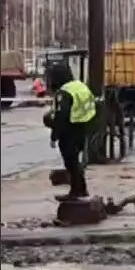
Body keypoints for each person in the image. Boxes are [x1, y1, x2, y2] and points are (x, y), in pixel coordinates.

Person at [45, 63, 95, 201]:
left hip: (70, 130)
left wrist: (54, 136)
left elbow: (62, 116)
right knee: (74, 161)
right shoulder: (79, 86)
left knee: (71, 162)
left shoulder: (64, 92)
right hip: (83, 126)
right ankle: (80, 189)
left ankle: (76, 191)